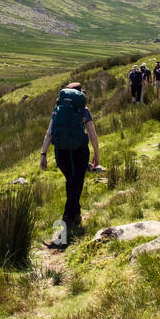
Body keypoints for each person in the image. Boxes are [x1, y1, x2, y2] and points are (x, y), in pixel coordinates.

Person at [40, 82, 99, 235]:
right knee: (77, 184)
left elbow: (49, 133)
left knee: (70, 182)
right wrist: (96, 154)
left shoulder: (58, 110)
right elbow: (92, 135)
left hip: (61, 152)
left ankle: (76, 215)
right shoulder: (83, 110)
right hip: (80, 151)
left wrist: (43, 155)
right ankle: (67, 217)